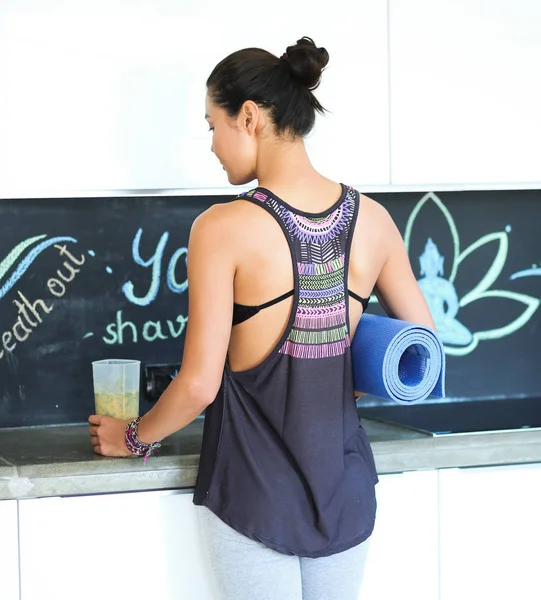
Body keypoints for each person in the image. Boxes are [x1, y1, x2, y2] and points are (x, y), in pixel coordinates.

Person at [88, 36, 435, 600]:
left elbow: (198, 385)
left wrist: (133, 437)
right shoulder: (374, 220)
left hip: (253, 495)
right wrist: (328, 373)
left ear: (247, 117)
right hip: (343, 493)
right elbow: (422, 352)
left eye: (211, 126)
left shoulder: (220, 228)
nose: (212, 145)